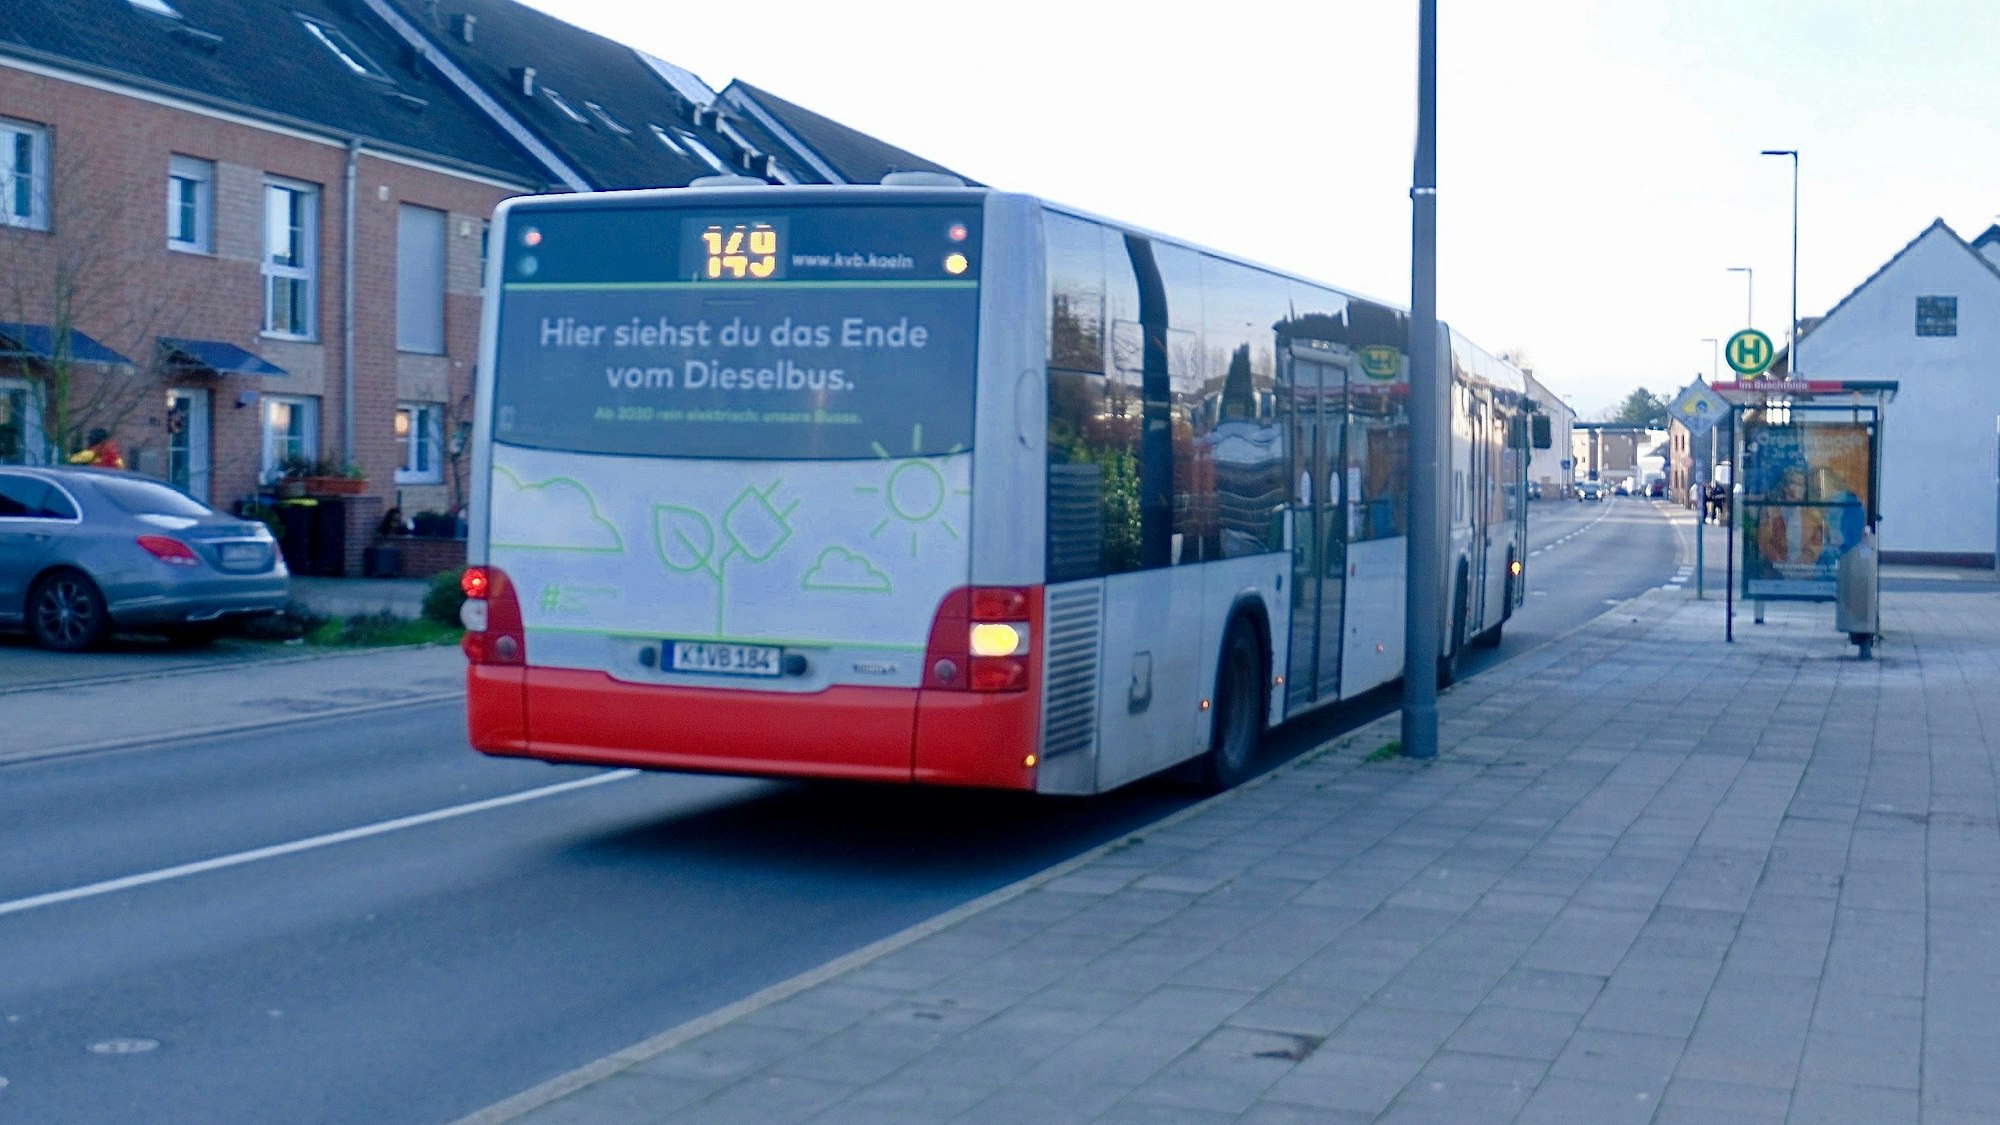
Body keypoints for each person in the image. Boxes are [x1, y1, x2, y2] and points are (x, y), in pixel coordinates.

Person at [1756, 468, 1826, 569]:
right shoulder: (1770, 510)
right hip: (1775, 571)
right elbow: (1764, 542)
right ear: (1786, 487)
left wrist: (1802, 563)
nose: (1802, 489)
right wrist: (1781, 563)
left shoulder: (1813, 514)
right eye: (1797, 484)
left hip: (1804, 571)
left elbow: (1817, 545)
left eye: (1803, 485)